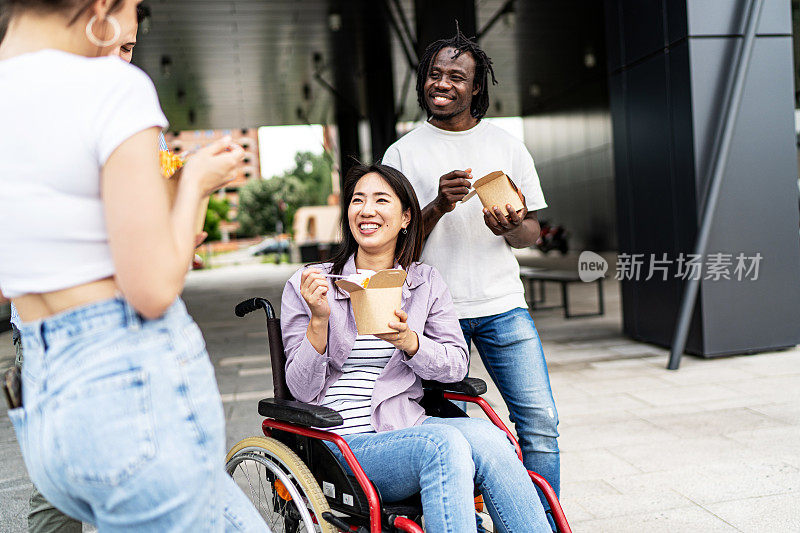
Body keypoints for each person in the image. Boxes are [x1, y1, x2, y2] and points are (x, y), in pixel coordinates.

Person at [0, 1, 268, 530]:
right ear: (101, 6)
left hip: (43, 401)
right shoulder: (111, 89)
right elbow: (152, 289)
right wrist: (193, 183)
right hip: (130, 391)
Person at [281, 163, 551, 533]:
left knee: (493, 438)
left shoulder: (425, 283)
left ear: (407, 217)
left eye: (380, 200)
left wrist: (412, 344)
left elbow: (456, 366)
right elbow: (301, 389)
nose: (367, 210)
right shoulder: (311, 283)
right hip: (341, 442)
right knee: (444, 444)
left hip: (406, 426)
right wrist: (318, 320)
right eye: (357, 200)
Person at [381, 29, 561, 519]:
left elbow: (531, 235)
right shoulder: (401, 154)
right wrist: (437, 206)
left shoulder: (507, 146)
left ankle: (541, 524)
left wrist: (512, 225)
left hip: (503, 306)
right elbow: (392, 249)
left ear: (476, 87)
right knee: (452, 436)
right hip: (433, 318)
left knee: (540, 422)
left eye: (456, 76)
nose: (442, 83)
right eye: (434, 74)